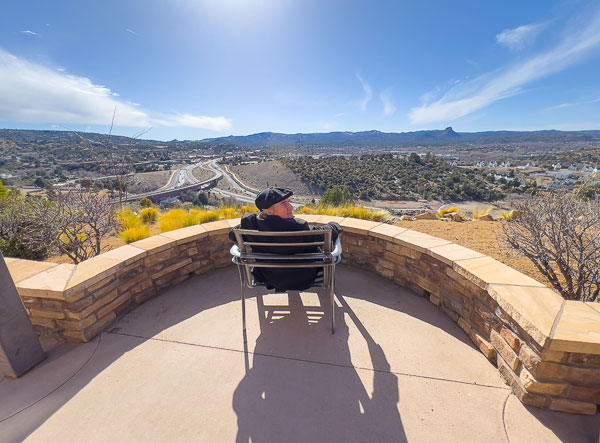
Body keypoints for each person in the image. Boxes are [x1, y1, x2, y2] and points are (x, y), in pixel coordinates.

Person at [229, 186, 343, 291]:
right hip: (303, 279)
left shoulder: (249, 225)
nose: (291, 207)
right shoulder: (299, 228)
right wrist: (334, 225)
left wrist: (256, 218)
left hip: (269, 278)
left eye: (289, 202)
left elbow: (232, 234)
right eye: (284, 204)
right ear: (269, 211)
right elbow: (327, 232)